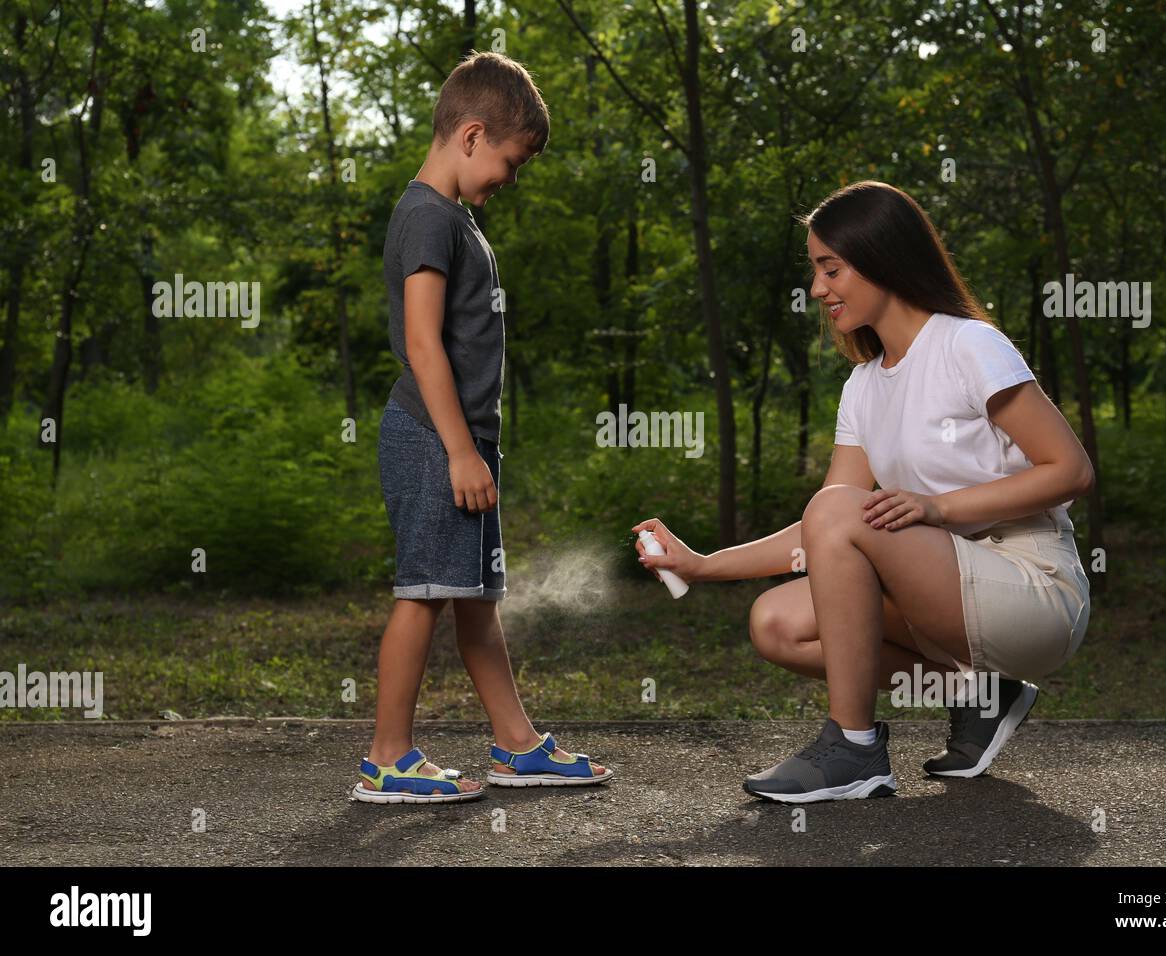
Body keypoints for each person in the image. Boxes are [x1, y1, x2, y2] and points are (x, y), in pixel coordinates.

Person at [633, 180, 1092, 803]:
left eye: (832, 268)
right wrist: (703, 564)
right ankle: (978, 696)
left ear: (884, 259)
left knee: (840, 512)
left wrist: (939, 507)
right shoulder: (865, 385)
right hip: (946, 589)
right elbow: (824, 528)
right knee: (777, 623)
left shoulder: (967, 344)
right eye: (815, 270)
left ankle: (853, 750)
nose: (818, 289)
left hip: (1033, 586)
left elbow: (1070, 470)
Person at [353, 51, 611, 802]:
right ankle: (387, 758)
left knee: (476, 598)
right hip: (437, 441)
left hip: (462, 443)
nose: (510, 178)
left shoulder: (451, 215)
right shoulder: (428, 217)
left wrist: (476, 448)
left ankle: (517, 744)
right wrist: (462, 451)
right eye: (510, 160)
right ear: (470, 135)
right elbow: (425, 345)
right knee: (423, 594)